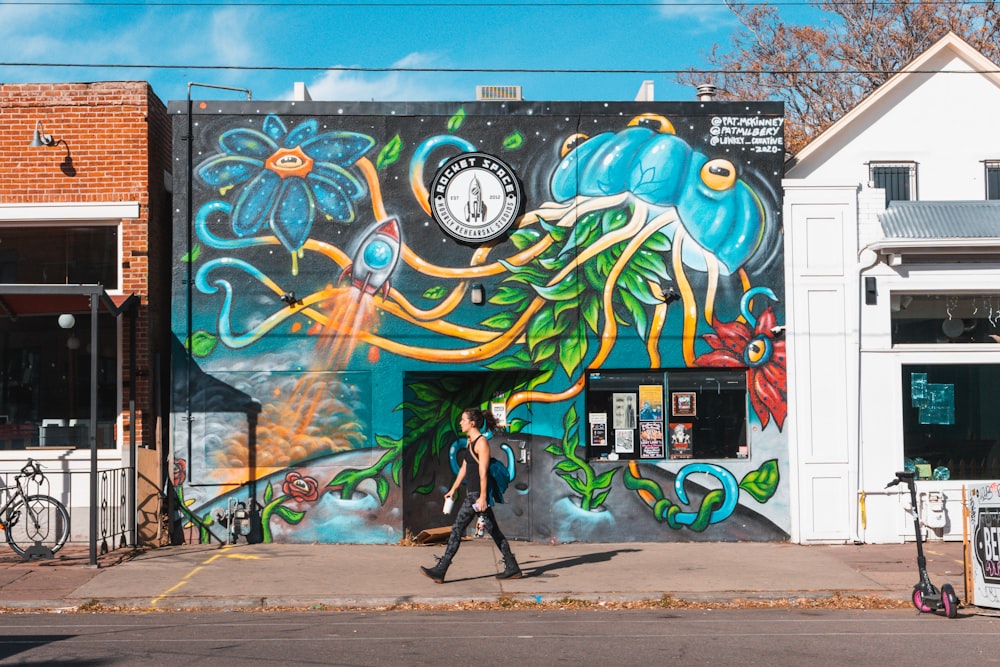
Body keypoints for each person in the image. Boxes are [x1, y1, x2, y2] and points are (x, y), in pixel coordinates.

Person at [420, 407, 522, 583]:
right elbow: (465, 467)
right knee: (494, 532)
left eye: (463, 420)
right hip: (473, 493)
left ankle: (441, 569)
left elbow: (483, 472)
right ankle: (512, 566)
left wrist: (482, 497)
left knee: (457, 529)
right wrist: (453, 489)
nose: (460, 422)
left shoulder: (482, 443)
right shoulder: (470, 441)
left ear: (472, 423)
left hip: (476, 496)